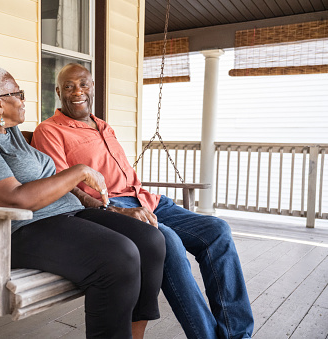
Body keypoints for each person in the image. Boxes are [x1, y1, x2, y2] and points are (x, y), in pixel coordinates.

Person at [31, 63, 254, 339]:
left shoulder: (103, 126)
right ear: (58, 92)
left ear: (92, 88)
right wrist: (108, 209)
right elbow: (63, 187)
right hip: (110, 206)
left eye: (84, 84)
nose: (78, 91)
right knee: (169, 241)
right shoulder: (50, 130)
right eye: (69, 86)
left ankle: (238, 335)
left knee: (218, 230)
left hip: (145, 198)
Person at [0, 66, 166, 339]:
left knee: (149, 240)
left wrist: (103, 206)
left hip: (62, 215)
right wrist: (79, 171)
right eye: (18, 93)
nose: (23, 99)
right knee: (119, 255)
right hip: (9, 233)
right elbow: (13, 199)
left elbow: (50, 182)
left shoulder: (13, 134)